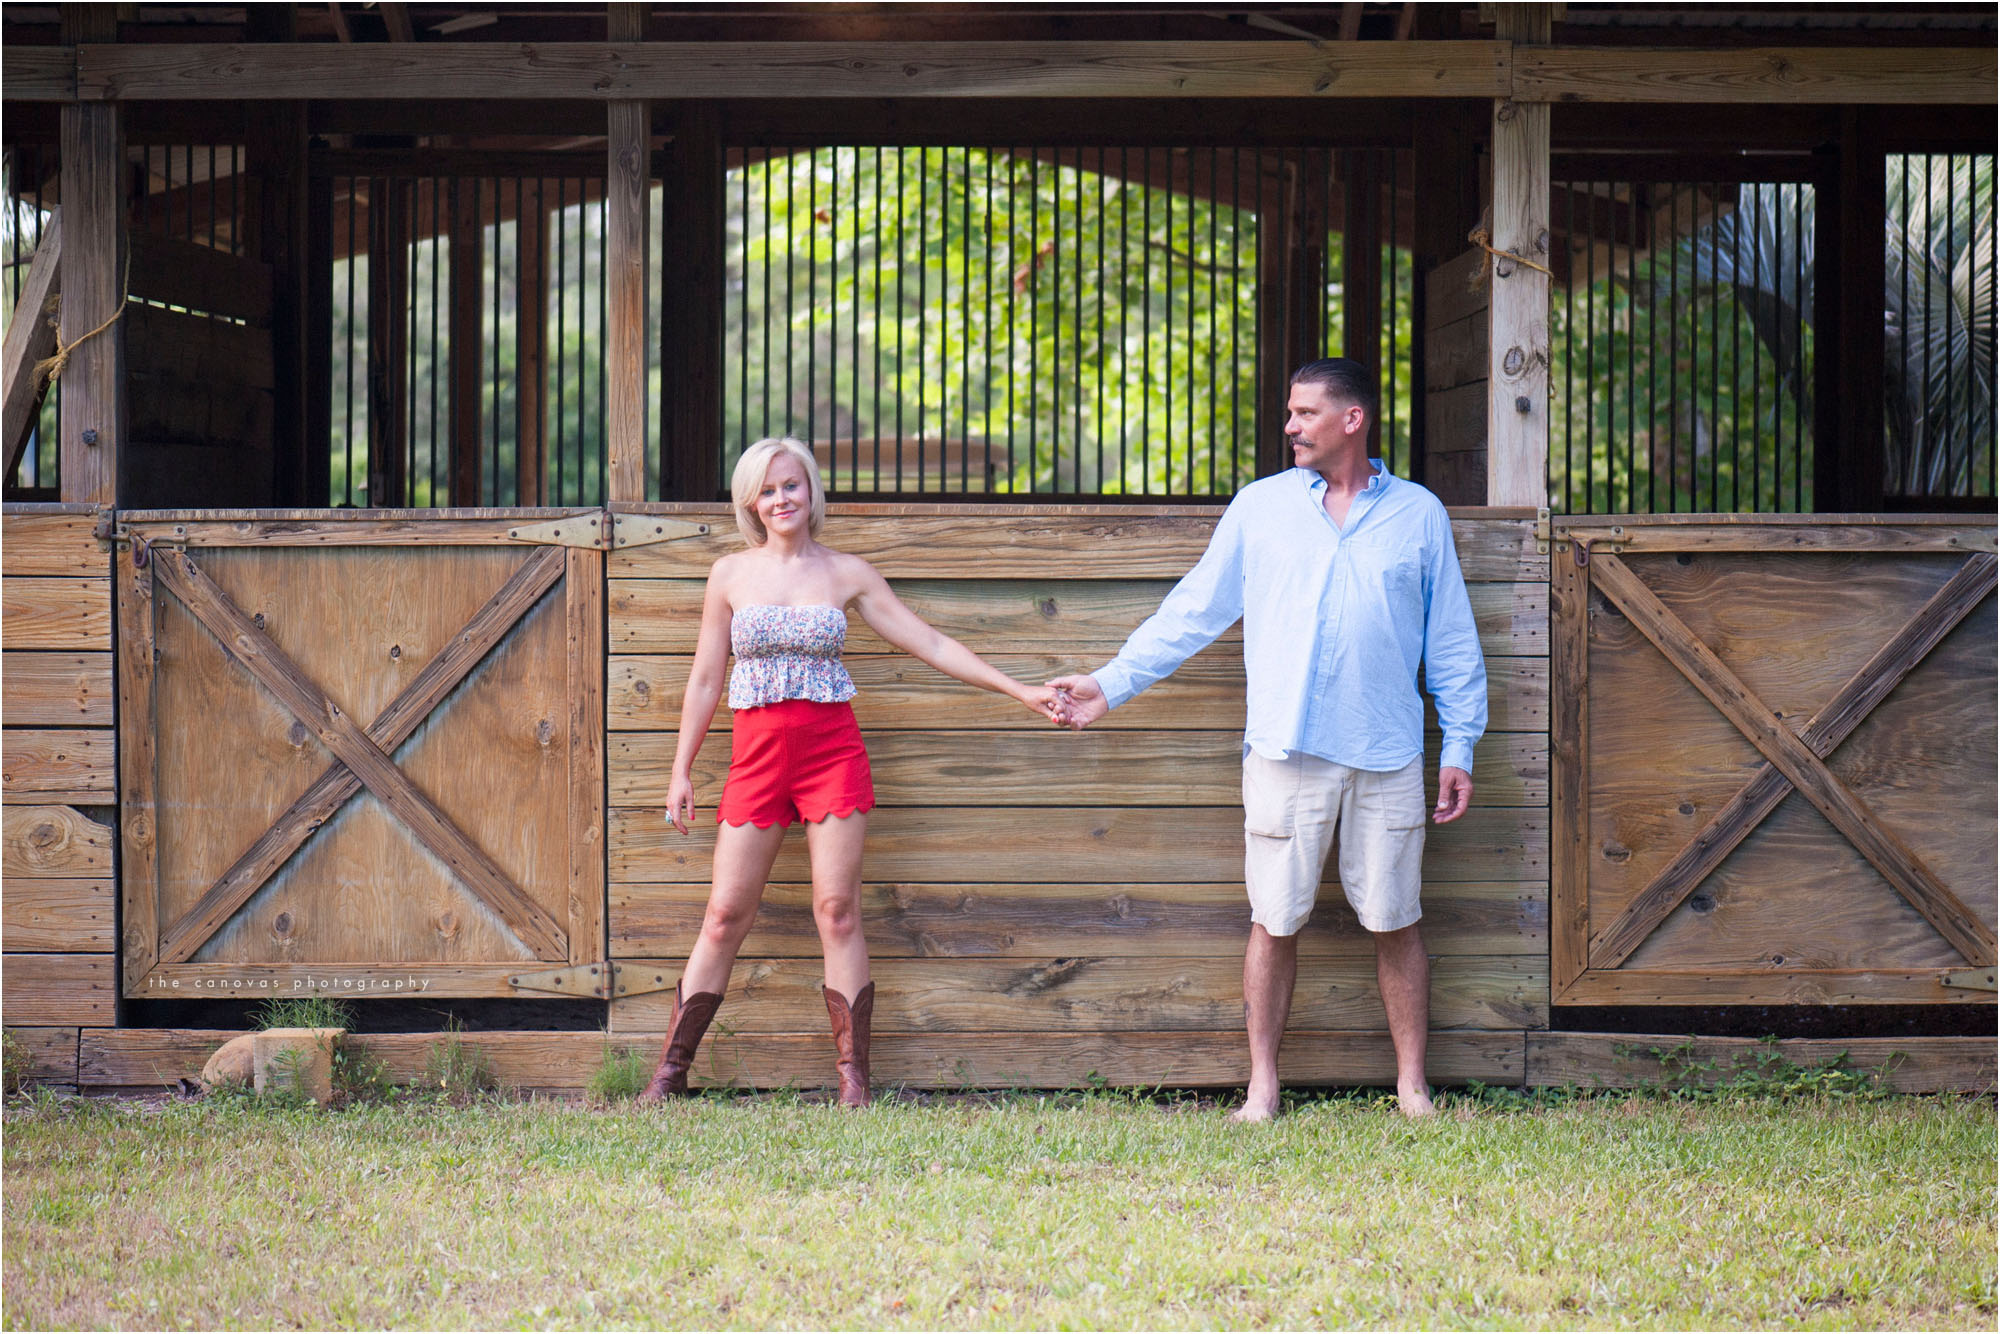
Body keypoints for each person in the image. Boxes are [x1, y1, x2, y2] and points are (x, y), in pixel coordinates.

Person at [1048, 358, 1486, 1120]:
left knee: (1397, 918)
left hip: (1387, 752)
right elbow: (1193, 612)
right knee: (1274, 919)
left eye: (1305, 413)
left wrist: (1459, 745)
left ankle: (1412, 1085)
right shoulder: (1259, 508)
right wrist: (1110, 684)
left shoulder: (1419, 515)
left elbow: (1450, 641)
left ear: (1354, 420)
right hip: (1284, 750)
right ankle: (1262, 1085)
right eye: (1289, 412)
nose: (1289, 426)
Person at [640, 436, 1064, 1108]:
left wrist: (1020, 691)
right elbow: (703, 679)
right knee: (724, 913)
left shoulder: (847, 573)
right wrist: (680, 770)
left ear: (811, 491)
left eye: (793, 485)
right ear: (751, 500)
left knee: (837, 913)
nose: (782, 498)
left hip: (830, 756)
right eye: (768, 488)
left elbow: (929, 641)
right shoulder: (729, 575)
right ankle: (667, 1077)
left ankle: (853, 1084)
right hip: (754, 760)